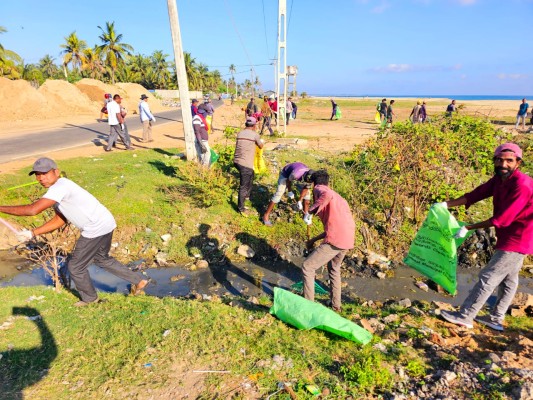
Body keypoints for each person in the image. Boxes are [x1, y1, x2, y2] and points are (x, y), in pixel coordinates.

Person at [0, 157, 150, 306]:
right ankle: (139, 280)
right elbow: (60, 220)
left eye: (45, 173)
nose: (41, 178)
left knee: (75, 267)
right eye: (37, 174)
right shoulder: (57, 191)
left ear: (56, 172)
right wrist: (33, 232)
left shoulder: (60, 187)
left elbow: (32, 210)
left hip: (95, 228)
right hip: (106, 222)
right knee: (102, 259)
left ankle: (90, 299)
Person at [438, 143, 532, 331]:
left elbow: (502, 219)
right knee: (509, 279)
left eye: (508, 161)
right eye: (499, 160)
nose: (503, 164)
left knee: (489, 276)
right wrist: (444, 205)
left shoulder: (522, 185)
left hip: (519, 237)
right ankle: (495, 319)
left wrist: (469, 227)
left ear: (518, 163)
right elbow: (476, 194)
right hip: (509, 235)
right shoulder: (499, 179)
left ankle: (465, 315)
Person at [302, 170, 355, 312]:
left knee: (308, 267)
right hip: (347, 238)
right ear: (328, 181)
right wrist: (313, 240)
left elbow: (326, 194)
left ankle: (308, 307)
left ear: (314, 183)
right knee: (334, 269)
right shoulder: (339, 199)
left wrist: (310, 211)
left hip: (336, 239)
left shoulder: (321, 189)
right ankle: (336, 305)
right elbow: (335, 226)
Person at [233, 116, 264, 214]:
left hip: (236, 162)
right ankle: (241, 208)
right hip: (245, 164)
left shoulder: (240, 133)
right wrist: (261, 141)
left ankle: (247, 196)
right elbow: (261, 145)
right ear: (254, 126)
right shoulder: (255, 135)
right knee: (243, 185)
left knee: (251, 175)